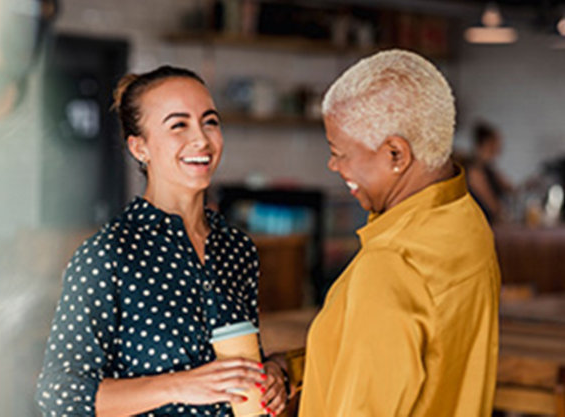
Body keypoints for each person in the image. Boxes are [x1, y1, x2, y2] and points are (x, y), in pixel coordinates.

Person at [34, 65, 289, 417]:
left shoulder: (237, 249)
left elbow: (240, 362)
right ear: (140, 148)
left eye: (210, 121)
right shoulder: (109, 254)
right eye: (178, 125)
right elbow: (59, 395)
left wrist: (275, 373)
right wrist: (181, 385)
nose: (201, 139)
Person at [299, 50, 500, 416]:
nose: (333, 164)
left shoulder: (392, 263)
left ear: (395, 154)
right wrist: (300, 367)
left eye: (339, 151)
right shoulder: (466, 222)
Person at [467, 121, 513, 223]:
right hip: (480, 225)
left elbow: (510, 189)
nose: (499, 146)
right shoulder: (475, 171)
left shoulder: (489, 168)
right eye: (496, 142)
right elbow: (493, 205)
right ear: (487, 143)